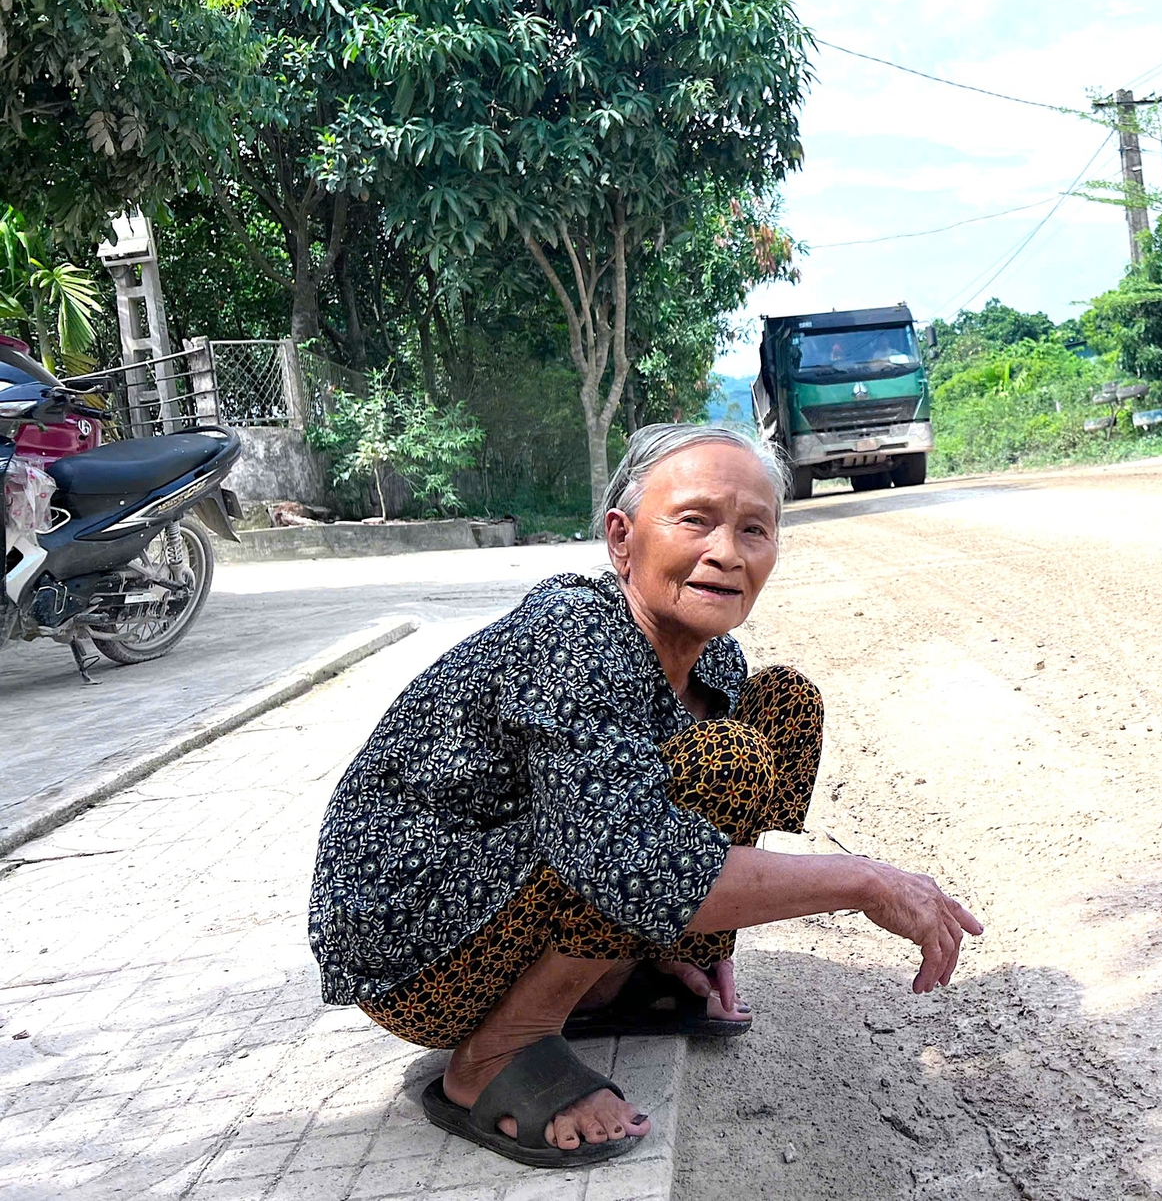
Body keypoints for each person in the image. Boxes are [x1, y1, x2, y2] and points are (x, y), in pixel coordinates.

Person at [307, 423, 981, 1170]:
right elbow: (632, 860)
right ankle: (499, 1049)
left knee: (780, 705)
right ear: (621, 540)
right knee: (692, 781)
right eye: (695, 520)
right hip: (419, 943)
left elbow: (682, 835)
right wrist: (863, 880)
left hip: (511, 891)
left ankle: (644, 973)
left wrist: (698, 938)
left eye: (755, 529)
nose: (727, 553)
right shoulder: (572, 634)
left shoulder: (712, 647)